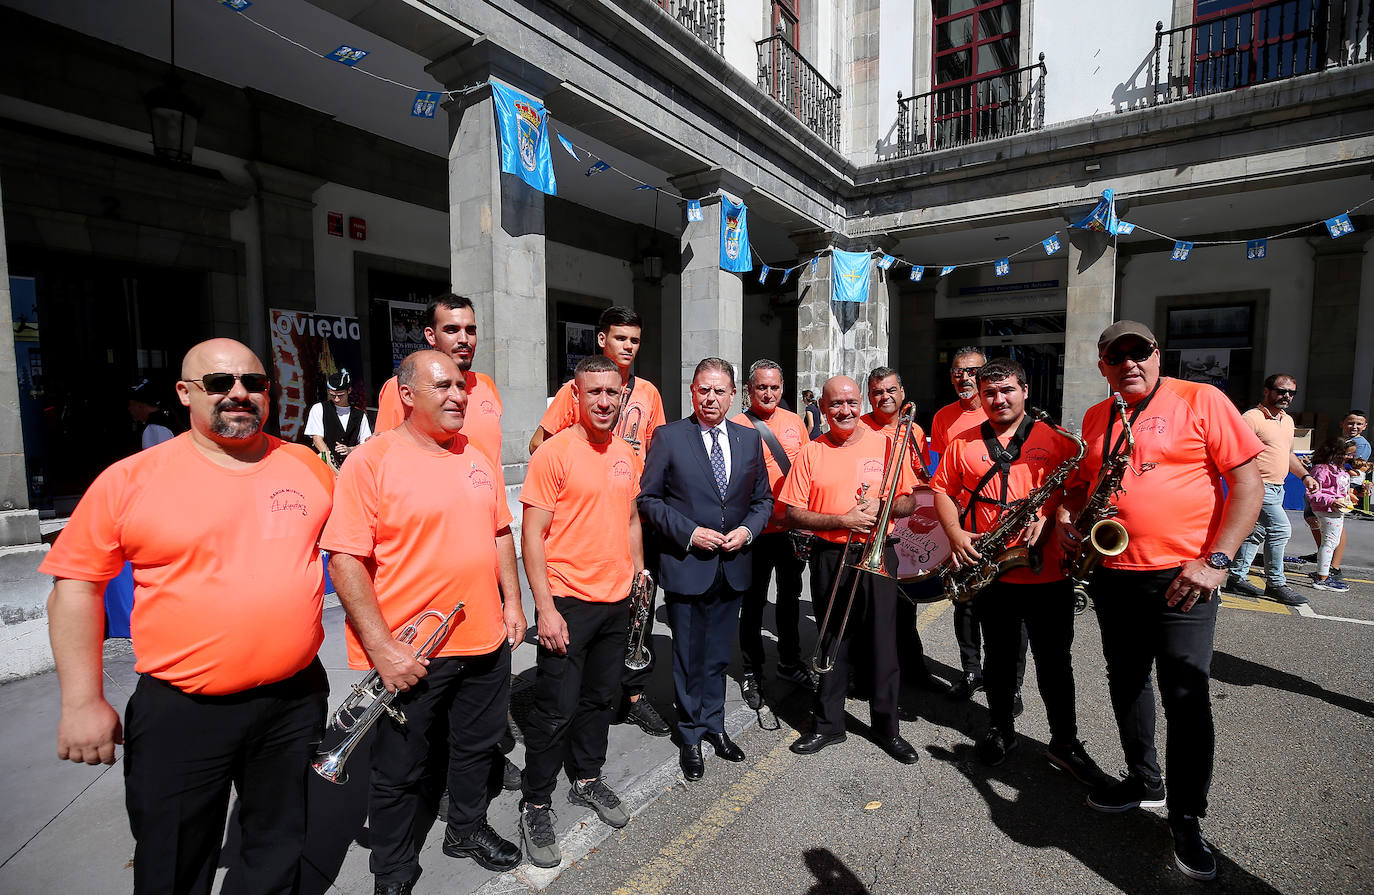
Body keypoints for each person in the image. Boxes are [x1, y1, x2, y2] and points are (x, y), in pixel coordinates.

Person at [45, 339, 332, 895]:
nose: (240, 394)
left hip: (292, 702)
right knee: (172, 857)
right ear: (185, 393)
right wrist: (81, 701)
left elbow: (357, 550)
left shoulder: (305, 466)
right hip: (181, 710)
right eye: (220, 383)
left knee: (277, 845)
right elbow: (75, 588)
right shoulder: (130, 479)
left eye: (254, 382)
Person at [1055, 320, 1262, 883]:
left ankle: (1186, 817)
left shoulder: (1202, 398)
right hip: (1115, 574)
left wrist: (1216, 561)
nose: (1129, 363)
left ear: (1156, 354)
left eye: (1139, 352)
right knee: (1125, 682)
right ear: (1102, 365)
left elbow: (1248, 484)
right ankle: (1143, 780)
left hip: (1184, 577)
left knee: (1186, 698)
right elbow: (1082, 487)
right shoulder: (1099, 418)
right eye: (1116, 356)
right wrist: (1068, 514)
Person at [322, 350, 528, 892]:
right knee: (399, 771)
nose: (458, 395)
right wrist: (382, 648)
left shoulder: (477, 456)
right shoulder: (372, 461)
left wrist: (513, 603)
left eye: (461, 385)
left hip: (485, 642)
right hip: (413, 654)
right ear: (407, 396)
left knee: (475, 748)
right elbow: (344, 560)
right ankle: (391, 868)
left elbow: (500, 534)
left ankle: (465, 827)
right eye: (443, 386)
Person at [930, 358, 1110, 786]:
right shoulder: (963, 441)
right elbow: (941, 489)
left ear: (1025, 391)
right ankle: (1001, 729)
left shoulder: (1058, 439)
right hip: (994, 571)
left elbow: (1081, 488)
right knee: (999, 658)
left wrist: (1052, 514)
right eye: (989, 392)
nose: (998, 399)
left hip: (1049, 573)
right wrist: (955, 535)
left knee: (1055, 662)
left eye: (1007, 390)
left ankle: (1064, 742)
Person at [516, 355, 645, 868]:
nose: (605, 402)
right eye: (595, 393)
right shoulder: (554, 453)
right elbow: (531, 534)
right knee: (554, 711)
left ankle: (587, 779)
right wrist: (543, 609)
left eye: (613, 393)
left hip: (617, 601)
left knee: (599, 700)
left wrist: (638, 570)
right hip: (567, 603)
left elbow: (631, 516)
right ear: (576, 394)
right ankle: (537, 800)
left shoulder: (625, 454)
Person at [531, 305, 671, 738]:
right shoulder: (578, 390)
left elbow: (659, 450)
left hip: (632, 511)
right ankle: (582, 698)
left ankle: (632, 693)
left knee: (636, 612)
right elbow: (540, 443)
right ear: (601, 341)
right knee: (584, 625)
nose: (627, 347)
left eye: (634, 340)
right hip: (584, 521)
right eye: (620, 338)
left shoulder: (648, 393)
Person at [638, 358, 772, 781]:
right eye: (702, 390)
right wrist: (689, 532)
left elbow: (763, 501)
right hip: (687, 566)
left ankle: (715, 725)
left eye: (719, 391)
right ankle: (691, 734)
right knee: (688, 656)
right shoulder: (670, 437)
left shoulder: (749, 441)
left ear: (734, 395)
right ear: (692, 392)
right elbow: (649, 500)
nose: (710, 398)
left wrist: (748, 533)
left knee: (717, 656)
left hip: (732, 567)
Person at [780, 375, 922, 765]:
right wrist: (842, 518)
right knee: (831, 640)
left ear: (861, 403)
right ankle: (828, 724)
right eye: (835, 404)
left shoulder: (887, 442)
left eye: (851, 402)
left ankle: (887, 727)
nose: (844, 410)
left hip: (879, 552)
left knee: (882, 641)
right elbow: (792, 512)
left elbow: (909, 503)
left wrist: (882, 507)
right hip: (831, 555)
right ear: (823, 409)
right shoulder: (812, 451)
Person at [928, 348, 1027, 706]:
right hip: (967, 533)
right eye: (956, 371)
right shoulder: (943, 417)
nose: (963, 377)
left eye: (971, 371)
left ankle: (1012, 684)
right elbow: (944, 482)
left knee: (1014, 619)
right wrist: (953, 532)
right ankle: (971, 671)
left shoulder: (1010, 414)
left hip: (1012, 536)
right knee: (965, 605)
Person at [730, 359, 815, 709]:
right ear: (749, 390)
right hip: (753, 531)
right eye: (761, 387)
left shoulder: (796, 422)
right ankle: (751, 671)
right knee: (751, 605)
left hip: (790, 531)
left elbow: (809, 470)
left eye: (775, 387)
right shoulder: (733, 425)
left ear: (783, 388)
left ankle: (789, 662)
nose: (768, 393)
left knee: (790, 599)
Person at [858, 366, 947, 694]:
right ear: (869, 396)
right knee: (867, 608)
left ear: (902, 393)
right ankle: (865, 674)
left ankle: (913, 669)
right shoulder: (859, 427)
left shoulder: (915, 431)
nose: (885, 397)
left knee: (904, 604)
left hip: (901, 526)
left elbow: (919, 478)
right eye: (878, 392)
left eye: (890, 390)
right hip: (867, 523)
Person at [374, 294, 503, 466]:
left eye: (470, 330)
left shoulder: (486, 384)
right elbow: (383, 459)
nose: (464, 339)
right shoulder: (402, 387)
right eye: (452, 330)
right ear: (431, 336)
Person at [1222, 374, 1316, 605]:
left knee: (1256, 533)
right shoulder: (1251, 418)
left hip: (1278, 488)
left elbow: (1288, 454)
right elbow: (1236, 452)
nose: (1286, 396)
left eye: (1291, 393)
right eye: (1281, 391)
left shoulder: (1287, 420)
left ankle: (1236, 578)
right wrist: (1250, 483)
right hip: (1258, 488)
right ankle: (1275, 583)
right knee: (1280, 529)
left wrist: (1304, 476)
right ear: (1267, 391)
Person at [1295, 410, 1370, 580]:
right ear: (1342, 424)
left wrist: (1351, 491)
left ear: (1365, 427)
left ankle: (1332, 566)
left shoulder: (1360, 445)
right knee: (1317, 524)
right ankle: (1324, 557)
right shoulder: (1338, 445)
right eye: (1351, 423)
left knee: (1334, 531)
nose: (1354, 426)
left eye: (1359, 424)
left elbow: (1356, 469)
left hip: (1336, 496)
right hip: (1327, 493)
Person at [1306, 437, 1356, 591]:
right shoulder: (1321, 469)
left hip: (1336, 510)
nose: (1350, 457)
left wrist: (1349, 497)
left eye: (1352, 454)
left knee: (1330, 542)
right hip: (1327, 510)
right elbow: (1312, 493)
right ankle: (1322, 578)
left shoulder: (1340, 470)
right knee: (1329, 542)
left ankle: (1323, 574)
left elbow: (1339, 489)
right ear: (1336, 453)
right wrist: (1331, 501)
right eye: (1347, 454)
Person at [305, 368, 371, 470]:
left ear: (349, 390)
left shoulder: (360, 415)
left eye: (340, 395)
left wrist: (351, 449)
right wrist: (332, 464)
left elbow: (366, 443)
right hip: (324, 468)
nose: (336, 399)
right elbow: (317, 439)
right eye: (333, 395)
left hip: (351, 468)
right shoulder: (319, 408)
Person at [127, 378, 180, 450]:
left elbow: (160, 459)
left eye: (131, 404)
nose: (129, 408)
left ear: (140, 405)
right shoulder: (169, 419)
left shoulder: (155, 427)